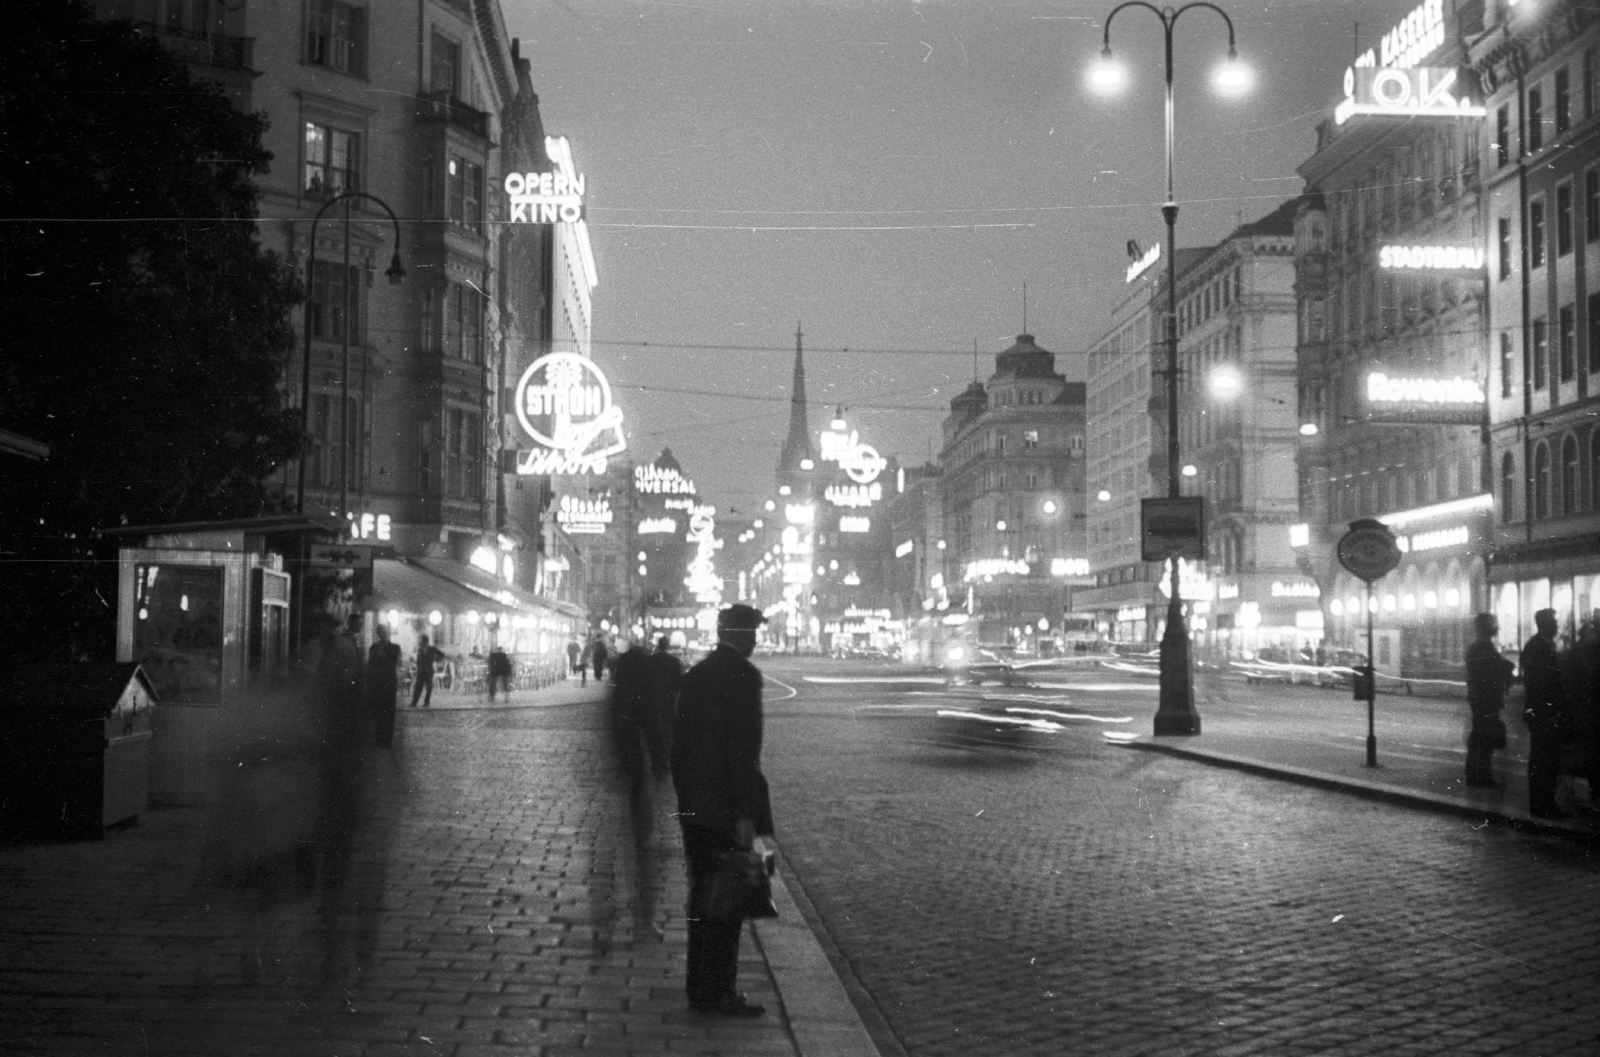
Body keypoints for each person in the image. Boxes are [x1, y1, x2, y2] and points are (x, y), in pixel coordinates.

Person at [670, 604, 773, 1017]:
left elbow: (679, 748)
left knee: (702, 898)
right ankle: (720, 991)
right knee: (729, 904)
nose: (755, 639)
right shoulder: (744, 676)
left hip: (696, 808)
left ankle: (699, 988)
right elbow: (743, 752)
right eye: (753, 632)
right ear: (743, 633)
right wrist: (746, 814)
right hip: (728, 810)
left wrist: (687, 800)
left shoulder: (696, 674)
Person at [1521, 609, 1567, 818]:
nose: (1557, 625)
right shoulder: (1537, 648)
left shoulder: (1541, 646)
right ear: (1544, 624)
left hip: (1546, 711)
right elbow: (1540, 684)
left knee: (1547, 759)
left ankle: (1545, 802)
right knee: (1543, 760)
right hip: (1543, 711)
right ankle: (1542, 804)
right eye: (1553, 622)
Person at [1464, 613, 1513, 788]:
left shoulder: (1478, 647)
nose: (1496, 627)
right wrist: (1505, 667)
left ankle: (1474, 774)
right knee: (1485, 738)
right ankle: (1482, 776)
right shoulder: (1483, 647)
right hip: (1486, 698)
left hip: (1479, 698)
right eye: (1493, 624)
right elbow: (1493, 669)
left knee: (1479, 736)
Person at [645, 635, 685, 775]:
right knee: (667, 730)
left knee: (654, 730)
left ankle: (656, 760)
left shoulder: (650, 660)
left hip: (651, 699)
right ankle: (664, 760)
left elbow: (644, 680)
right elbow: (680, 681)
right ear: (667, 646)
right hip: (668, 699)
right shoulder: (674, 661)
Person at [367, 624, 402, 748]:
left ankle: (387, 740)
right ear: (378, 634)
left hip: (389, 682)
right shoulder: (373, 648)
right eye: (380, 632)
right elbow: (370, 665)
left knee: (389, 711)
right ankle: (379, 738)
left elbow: (394, 663)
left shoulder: (395, 648)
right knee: (378, 711)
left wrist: (383, 656)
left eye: (385, 632)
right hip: (377, 684)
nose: (383, 635)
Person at [410, 634, 442, 709]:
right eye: (419, 642)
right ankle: (414, 703)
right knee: (418, 687)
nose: (419, 643)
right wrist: (418, 668)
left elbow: (441, 655)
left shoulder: (432, 649)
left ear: (425, 642)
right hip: (421, 671)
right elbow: (418, 660)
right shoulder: (420, 649)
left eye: (421, 642)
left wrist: (434, 659)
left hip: (428, 671)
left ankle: (426, 702)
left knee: (429, 687)